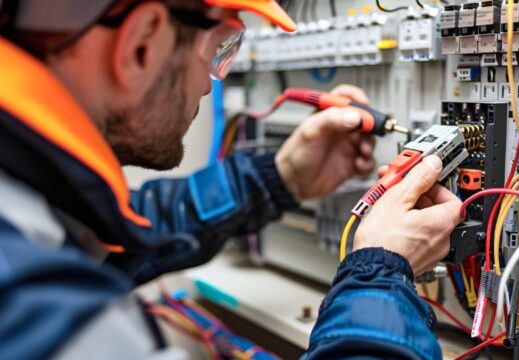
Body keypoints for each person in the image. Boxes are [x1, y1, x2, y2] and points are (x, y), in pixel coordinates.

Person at [0, 0, 463, 359]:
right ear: (142, 41)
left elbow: (115, 234)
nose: (209, 83)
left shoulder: (24, 209)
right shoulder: (33, 305)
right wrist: (379, 272)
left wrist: (279, 179)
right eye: (217, 47)